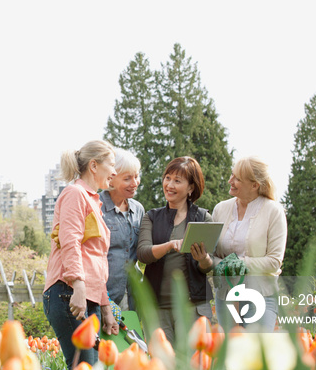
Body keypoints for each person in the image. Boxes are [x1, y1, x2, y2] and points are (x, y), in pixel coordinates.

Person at [43, 139, 119, 370]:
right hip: (69, 294)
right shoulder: (75, 194)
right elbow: (70, 241)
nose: (115, 172)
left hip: (86, 296)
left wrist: (105, 307)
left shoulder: (93, 200)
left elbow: (95, 262)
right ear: (94, 166)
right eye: (112, 165)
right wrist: (77, 284)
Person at [136, 156, 214, 345]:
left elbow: (209, 267)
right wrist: (170, 245)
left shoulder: (203, 218)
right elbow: (143, 254)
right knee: (163, 369)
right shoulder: (152, 217)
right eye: (167, 178)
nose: (169, 185)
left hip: (192, 307)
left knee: (193, 367)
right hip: (157, 308)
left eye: (177, 181)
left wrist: (203, 259)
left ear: (190, 188)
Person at [211, 156, 287, 331]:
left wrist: (240, 264)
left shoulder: (273, 211)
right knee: (230, 354)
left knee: (254, 355)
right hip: (226, 297)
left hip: (261, 296)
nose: (231, 181)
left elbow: (274, 261)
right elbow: (213, 255)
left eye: (238, 179)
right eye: (232, 175)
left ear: (255, 185)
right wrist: (216, 263)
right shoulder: (220, 209)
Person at [100, 148, 145, 311]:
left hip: (133, 297)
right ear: (111, 179)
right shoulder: (96, 207)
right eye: (127, 178)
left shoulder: (138, 209)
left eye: (136, 176)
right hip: (105, 297)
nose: (135, 183)